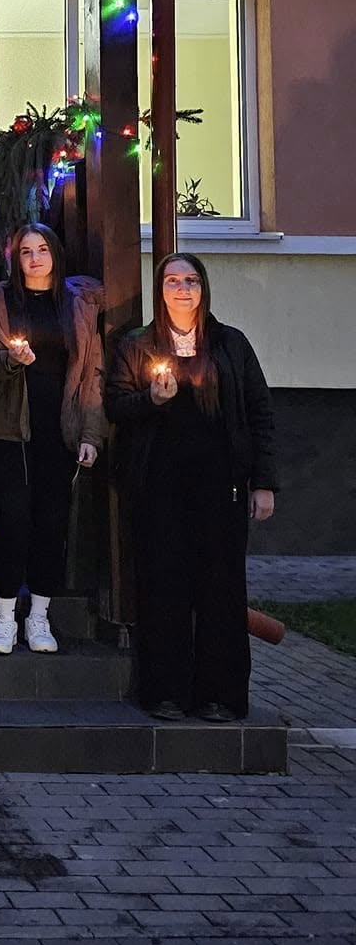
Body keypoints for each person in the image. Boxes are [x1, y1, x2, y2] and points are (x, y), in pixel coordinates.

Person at [104, 254, 278, 721]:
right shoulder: (137, 344)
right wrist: (151, 399)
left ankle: (220, 694)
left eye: (191, 280)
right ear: (159, 289)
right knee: (164, 586)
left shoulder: (230, 344)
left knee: (221, 588)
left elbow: (259, 413)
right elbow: (116, 405)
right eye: (172, 280)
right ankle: (166, 691)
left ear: (203, 288)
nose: (183, 289)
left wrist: (264, 482)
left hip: (220, 487)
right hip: (159, 487)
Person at [0, 224, 104, 656]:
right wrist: (9, 360)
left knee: (51, 522)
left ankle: (39, 615)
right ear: (15, 258)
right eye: (26, 251)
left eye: (42, 249)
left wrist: (91, 433)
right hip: (6, 426)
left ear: (55, 254)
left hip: (59, 427)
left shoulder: (77, 306)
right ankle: (4, 616)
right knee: (13, 518)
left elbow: (92, 374)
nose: (34, 258)